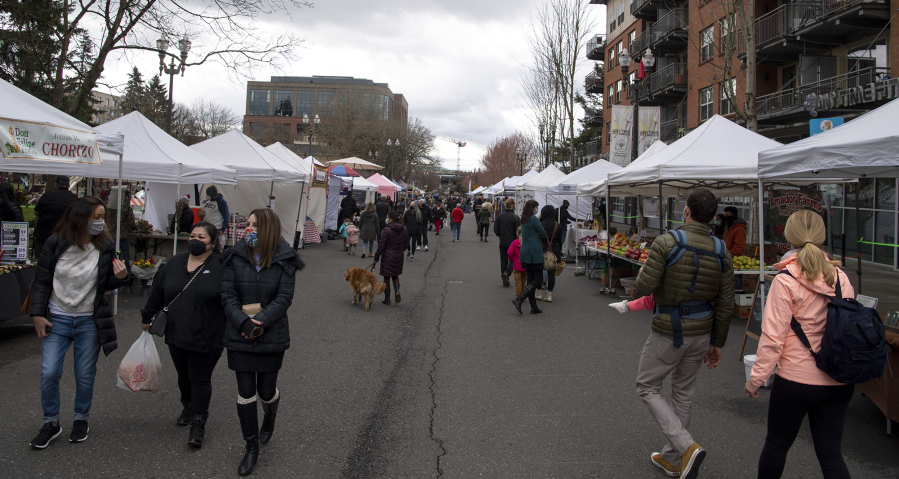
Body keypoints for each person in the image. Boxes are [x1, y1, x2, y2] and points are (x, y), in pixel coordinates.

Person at [630, 188, 734, 479]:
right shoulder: (722, 250)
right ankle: (673, 458)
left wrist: (644, 274)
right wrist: (717, 343)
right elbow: (726, 303)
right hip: (702, 331)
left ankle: (686, 447)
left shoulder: (666, 242)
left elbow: (644, 287)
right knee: (684, 393)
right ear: (712, 216)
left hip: (669, 329)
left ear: (686, 210)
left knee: (647, 386)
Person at [745, 210, 855, 479]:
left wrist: (756, 378)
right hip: (838, 378)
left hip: (795, 380)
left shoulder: (785, 280)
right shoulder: (841, 278)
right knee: (831, 454)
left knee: (777, 445)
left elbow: (773, 338)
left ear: (788, 237)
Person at [28, 196, 130, 449]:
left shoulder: (105, 246)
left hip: (88, 321)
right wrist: (37, 314)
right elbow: (41, 280)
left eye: (102, 217)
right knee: (49, 371)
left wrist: (121, 277)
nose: (100, 222)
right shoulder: (55, 243)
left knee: (84, 374)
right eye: (96, 217)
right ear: (80, 217)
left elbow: (106, 283)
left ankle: (81, 419)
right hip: (57, 319)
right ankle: (51, 423)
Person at [221, 208, 303, 476]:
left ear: (268, 229)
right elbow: (227, 294)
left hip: (271, 334)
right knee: (246, 392)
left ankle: (270, 414)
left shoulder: (285, 259)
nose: (249, 230)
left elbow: (284, 297)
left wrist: (259, 323)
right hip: (239, 333)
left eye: (255, 226)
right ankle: (251, 447)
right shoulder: (235, 256)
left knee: (266, 391)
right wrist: (243, 323)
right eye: (248, 224)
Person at [140, 222, 226, 448]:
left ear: (213, 243)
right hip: (177, 331)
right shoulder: (175, 262)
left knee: (199, 377)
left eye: (202, 237)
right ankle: (187, 404)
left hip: (208, 333)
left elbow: (232, 298)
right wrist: (147, 316)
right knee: (184, 375)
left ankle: (199, 421)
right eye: (192, 235)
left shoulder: (222, 266)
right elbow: (158, 292)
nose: (195, 240)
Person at [511, 200, 547, 315]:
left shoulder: (523, 219)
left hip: (525, 250)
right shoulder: (533, 219)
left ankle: (534, 306)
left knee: (530, 279)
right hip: (534, 251)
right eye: (536, 207)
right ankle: (520, 299)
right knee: (538, 279)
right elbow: (542, 233)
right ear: (533, 208)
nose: (537, 209)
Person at [34, 176, 78, 259]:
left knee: (41, 260)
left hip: (44, 234)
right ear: (68, 185)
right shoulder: (74, 198)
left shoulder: (47, 196)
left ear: (55, 185)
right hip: (65, 236)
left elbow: (36, 212)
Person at [373, 211, 410, 305]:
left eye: (387, 217)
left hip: (388, 255)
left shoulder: (386, 230)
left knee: (386, 276)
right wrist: (400, 250)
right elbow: (406, 244)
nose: (387, 219)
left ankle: (387, 298)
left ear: (391, 219)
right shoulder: (404, 230)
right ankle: (397, 291)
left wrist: (376, 257)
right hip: (399, 254)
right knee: (395, 275)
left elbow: (381, 245)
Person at [106, 186, 137, 271]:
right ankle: (126, 269)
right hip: (121, 233)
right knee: (125, 252)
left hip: (110, 233)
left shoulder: (109, 205)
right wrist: (134, 227)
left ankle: (110, 268)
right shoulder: (125, 207)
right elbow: (131, 221)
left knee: (110, 252)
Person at [538, 205, 562, 303]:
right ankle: (549, 295)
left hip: (541, 248)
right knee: (551, 273)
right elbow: (560, 241)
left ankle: (538, 293)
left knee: (538, 272)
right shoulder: (557, 225)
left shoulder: (540, 224)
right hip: (554, 249)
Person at [494, 198, 520, 287]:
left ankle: (504, 275)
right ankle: (508, 273)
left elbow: (496, 229)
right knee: (513, 259)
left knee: (503, 259)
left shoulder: (500, 216)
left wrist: (500, 235)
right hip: (512, 242)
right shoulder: (516, 217)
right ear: (512, 206)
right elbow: (518, 231)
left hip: (503, 241)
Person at [507, 227, 526, 299]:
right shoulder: (526, 242)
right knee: (524, 280)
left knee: (518, 281)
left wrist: (512, 260)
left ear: (517, 234)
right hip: (525, 264)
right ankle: (523, 295)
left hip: (516, 264)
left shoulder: (515, 242)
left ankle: (518, 296)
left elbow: (509, 252)